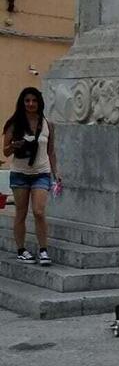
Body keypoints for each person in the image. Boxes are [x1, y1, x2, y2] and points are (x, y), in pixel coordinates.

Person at [2, 87, 60, 265]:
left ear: (39, 102)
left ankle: (43, 250)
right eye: (27, 100)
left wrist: (56, 173)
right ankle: (21, 250)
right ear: (22, 102)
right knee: (20, 212)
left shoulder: (47, 124)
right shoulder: (14, 124)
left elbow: (50, 151)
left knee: (39, 211)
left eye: (34, 100)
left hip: (41, 173)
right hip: (20, 173)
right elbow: (5, 151)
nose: (31, 104)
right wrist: (15, 146)